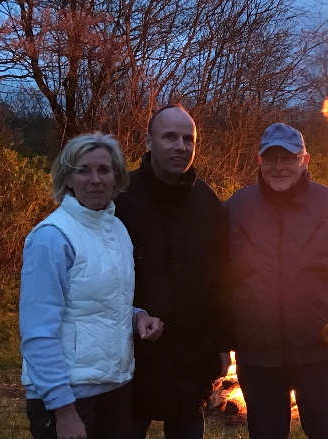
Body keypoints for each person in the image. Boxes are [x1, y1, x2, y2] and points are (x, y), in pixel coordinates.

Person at [225, 122, 328, 439]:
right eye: (272, 158)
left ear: (304, 160)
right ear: (260, 161)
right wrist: (222, 343)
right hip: (258, 358)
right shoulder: (237, 209)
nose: (280, 167)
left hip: (320, 355)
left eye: (288, 158)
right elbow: (220, 282)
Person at [19, 132, 164, 439]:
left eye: (104, 170)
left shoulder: (116, 228)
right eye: (83, 170)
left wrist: (138, 316)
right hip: (68, 398)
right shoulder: (51, 238)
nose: (95, 179)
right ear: (68, 178)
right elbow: (37, 332)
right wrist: (64, 411)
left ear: (116, 177)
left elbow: (101, 300)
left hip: (115, 387)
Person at [114, 104, 233, 438]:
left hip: (191, 359)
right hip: (131, 356)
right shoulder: (120, 199)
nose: (181, 147)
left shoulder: (208, 204)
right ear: (149, 142)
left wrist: (223, 346)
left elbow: (222, 279)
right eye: (170, 137)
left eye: (188, 139)